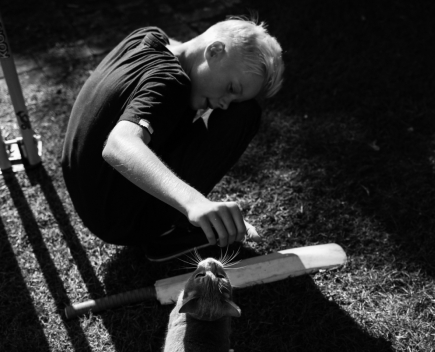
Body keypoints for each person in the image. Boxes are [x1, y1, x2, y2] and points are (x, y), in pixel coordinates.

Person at [61, 16, 284, 261]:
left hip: (91, 198)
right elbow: (118, 144)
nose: (224, 103)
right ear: (215, 50)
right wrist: (194, 203)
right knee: (244, 114)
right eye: (232, 89)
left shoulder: (147, 36)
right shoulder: (172, 84)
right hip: (122, 219)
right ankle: (167, 234)